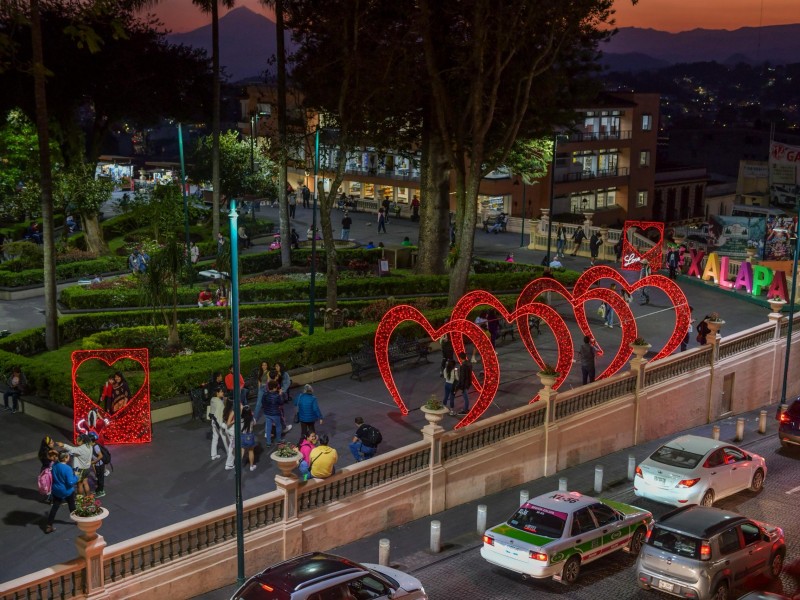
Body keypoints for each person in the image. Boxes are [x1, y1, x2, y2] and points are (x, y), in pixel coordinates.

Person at [45, 451, 78, 534]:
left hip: (56, 490)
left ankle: (49, 525)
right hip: (67, 490)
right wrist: (76, 476)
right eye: (68, 456)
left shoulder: (55, 465)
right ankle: (77, 520)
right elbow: (70, 482)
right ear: (66, 458)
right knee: (72, 505)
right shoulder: (67, 468)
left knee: (55, 507)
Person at [209, 387, 227, 460]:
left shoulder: (212, 399)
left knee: (215, 438)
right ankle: (230, 455)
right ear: (217, 393)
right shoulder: (220, 403)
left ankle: (213, 455)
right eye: (221, 392)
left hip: (213, 421)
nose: (223, 393)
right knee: (225, 439)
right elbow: (222, 413)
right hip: (219, 422)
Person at [87, 432, 106, 497]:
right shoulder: (92, 446)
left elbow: (100, 456)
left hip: (100, 465)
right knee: (98, 477)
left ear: (91, 441)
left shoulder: (96, 446)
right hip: (97, 464)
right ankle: (98, 490)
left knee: (100, 478)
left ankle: (101, 491)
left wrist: (93, 462)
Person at [240, 403, 257, 471]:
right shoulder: (252, 419)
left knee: (242, 450)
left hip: (242, 436)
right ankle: (251, 466)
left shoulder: (240, 419)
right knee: (251, 451)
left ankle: (238, 466)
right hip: (250, 436)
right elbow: (254, 424)